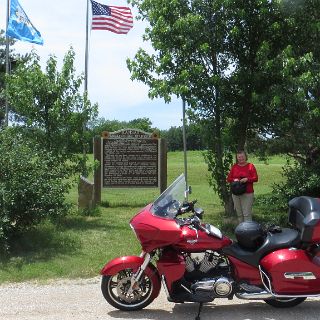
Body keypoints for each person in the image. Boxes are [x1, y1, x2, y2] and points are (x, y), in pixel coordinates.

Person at [227, 150, 258, 223]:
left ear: (246, 157)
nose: (241, 158)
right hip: (236, 193)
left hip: (247, 193)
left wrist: (247, 179)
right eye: (239, 157)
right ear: (237, 158)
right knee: (239, 214)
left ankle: (248, 231)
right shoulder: (234, 167)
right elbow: (228, 179)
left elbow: (255, 178)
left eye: (242, 157)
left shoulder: (250, 166)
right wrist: (235, 179)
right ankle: (241, 231)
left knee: (247, 214)